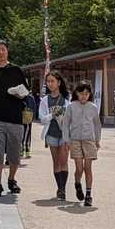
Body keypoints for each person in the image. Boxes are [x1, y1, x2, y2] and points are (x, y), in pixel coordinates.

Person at [0, 40, 29, 197]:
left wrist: (19, 94)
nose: (1, 52)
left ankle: (12, 179)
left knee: (14, 153)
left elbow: (26, 91)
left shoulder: (16, 70)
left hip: (15, 118)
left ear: (7, 51)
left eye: (3, 49)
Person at [63, 81, 103, 205]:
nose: (83, 96)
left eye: (86, 93)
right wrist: (67, 140)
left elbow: (97, 124)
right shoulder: (71, 107)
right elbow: (66, 124)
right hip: (75, 141)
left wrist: (97, 140)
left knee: (88, 168)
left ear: (89, 94)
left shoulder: (93, 107)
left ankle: (88, 195)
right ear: (76, 93)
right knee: (79, 168)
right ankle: (77, 183)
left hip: (89, 140)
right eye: (81, 93)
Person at [41, 72, 70, 200]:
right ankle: (60, 187)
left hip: (64, 134)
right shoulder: (45, 100)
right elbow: (42, 119)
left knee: (64, 161)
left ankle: (62, 189)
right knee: (56, 162)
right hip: (51, 134)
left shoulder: (66, 98)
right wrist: (53, 115)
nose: (50, 84)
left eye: (52, 81)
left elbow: (71, 118)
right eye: (48, 81)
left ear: (58, 82)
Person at [21, 85, 38, 158]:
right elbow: (34, 108)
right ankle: (23, 150)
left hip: (27, 119)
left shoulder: (27, 98)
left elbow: (34, 108)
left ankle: (25, 151)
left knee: (25, 134)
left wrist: (33, 117)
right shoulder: (27, 97)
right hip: (25, 119)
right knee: (25, 134)